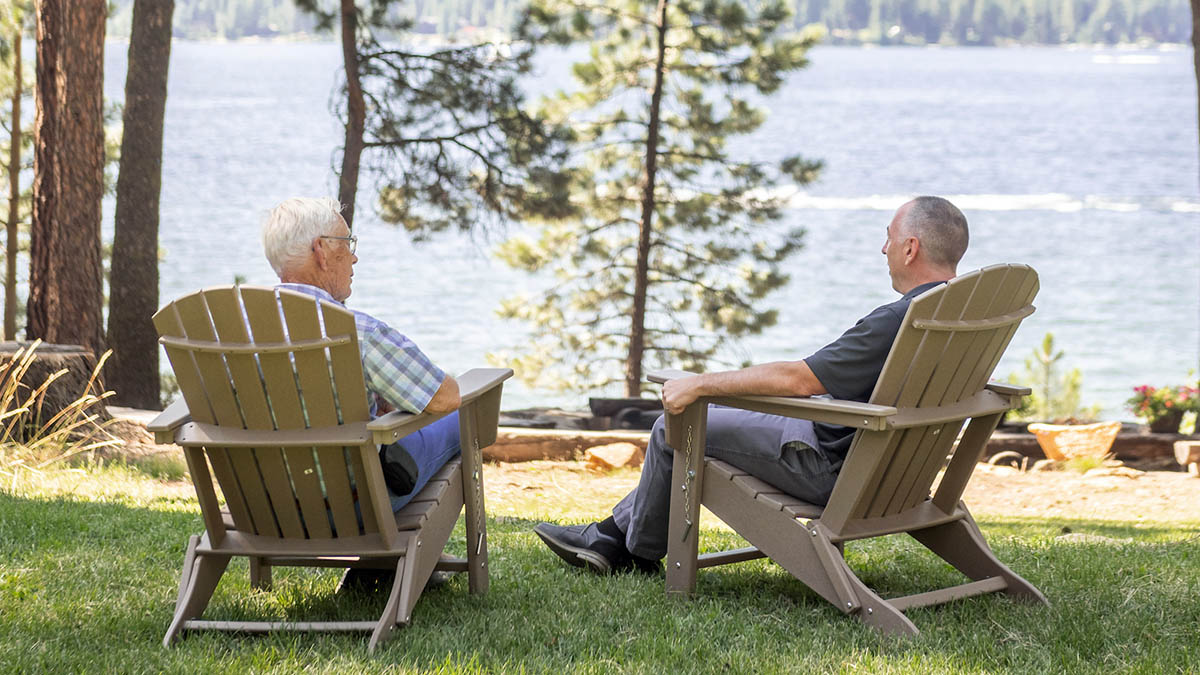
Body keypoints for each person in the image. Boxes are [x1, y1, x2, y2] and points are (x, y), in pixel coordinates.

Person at [534, 196, 970, 574]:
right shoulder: (967, 315)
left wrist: (700, 385)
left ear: (910, 248)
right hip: (893, 473)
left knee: (674, 426)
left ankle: (628, 550)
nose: (884, 247)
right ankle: (610, 535)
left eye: (889, 237)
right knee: (719, 418)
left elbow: (799, 380)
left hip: (829, 468)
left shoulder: (897, 320)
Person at [261, 197, 461, 513]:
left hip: (264, 508)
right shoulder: (356, 332)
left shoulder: (231, 334)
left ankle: (386, 563)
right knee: (461, 417)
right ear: (321, 251)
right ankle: (405, 555)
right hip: (351, 509)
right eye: (347, 243)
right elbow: (444, 397)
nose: (354, 258)